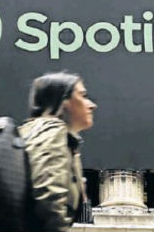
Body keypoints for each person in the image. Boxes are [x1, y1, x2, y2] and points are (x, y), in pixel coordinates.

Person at [17, 71, 98, 232]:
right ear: (64, 101)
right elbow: (49, 197)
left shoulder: (36, 130)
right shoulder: (52, 131)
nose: (92, 105)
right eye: (82, 96)